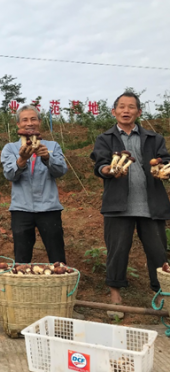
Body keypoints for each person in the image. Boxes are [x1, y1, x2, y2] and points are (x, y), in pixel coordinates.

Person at [90, 92, 170, 313]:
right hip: (118, 205)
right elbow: (101, 165)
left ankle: (161, 293)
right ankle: (115, 294)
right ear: (114, 111)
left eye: (131, 107)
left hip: (151, 205)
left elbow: (165, 160)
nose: (126, 111)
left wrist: (162, 169)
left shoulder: (155, 138)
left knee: (158, 252)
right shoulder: (105, 138)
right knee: (117, 250)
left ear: (139, 112)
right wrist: (109, 170)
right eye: (122, 107)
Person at [1, 104, 68, 264]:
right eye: (24, 120)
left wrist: (47, 158)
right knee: (22, 257)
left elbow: (61, 171)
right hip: (21, 209)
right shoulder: (10, 148)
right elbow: (9, 175)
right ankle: (23, 287)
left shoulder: (52, 146)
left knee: (57, 255)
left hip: (49, 208)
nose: (29, 123)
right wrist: (22, 160)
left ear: (39, 121)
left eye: (33, 119)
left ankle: (60, 286)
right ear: (18, 124)